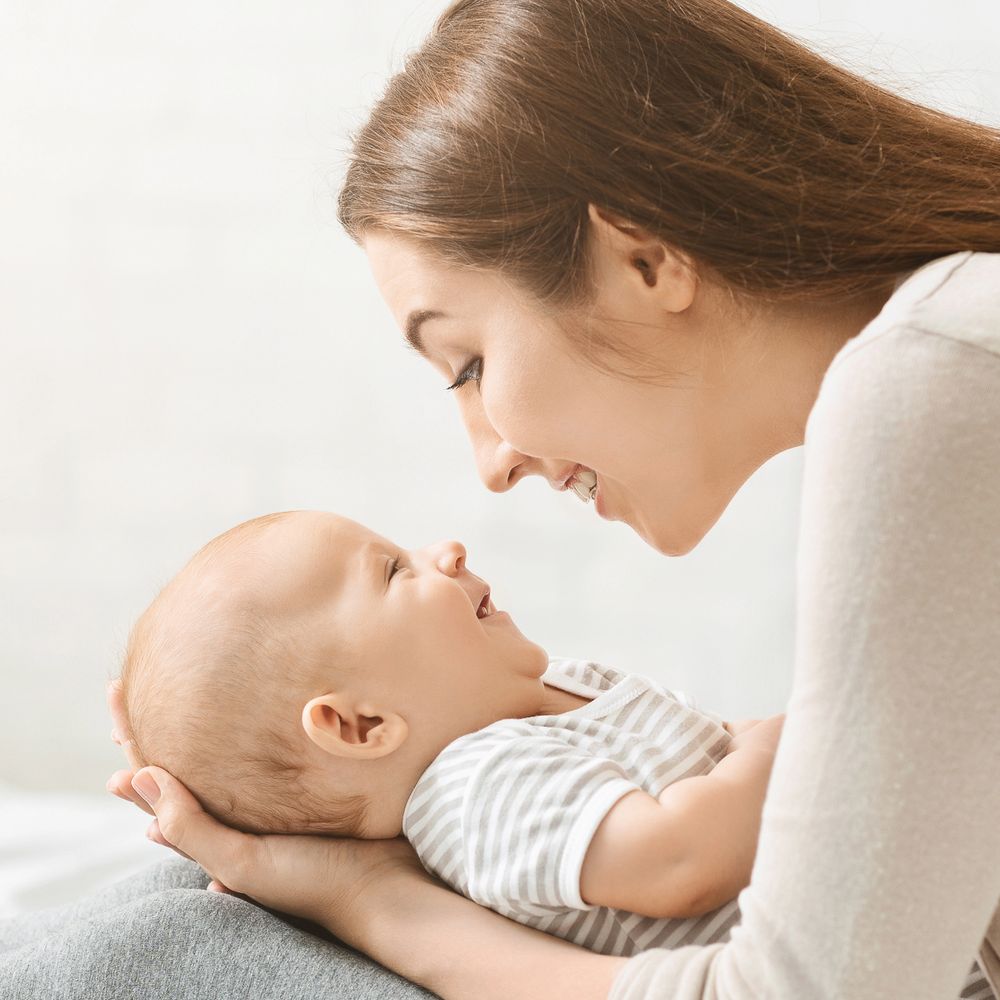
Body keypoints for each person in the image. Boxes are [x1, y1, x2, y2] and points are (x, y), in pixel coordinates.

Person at [4, 0, 998, 998]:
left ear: (643, 259)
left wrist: (366, 898)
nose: (491, 463)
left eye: (468, 362)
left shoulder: (935, 379)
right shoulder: (954, 350)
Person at [117, 507, 787, 956]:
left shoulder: (550, 685)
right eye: (394, 570)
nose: (446, 549)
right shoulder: (478, 787)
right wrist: (794, 734)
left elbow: (717, 743)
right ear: (360, 725)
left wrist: (764, 736)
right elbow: (679, 862)